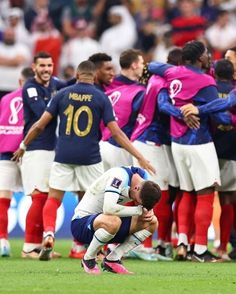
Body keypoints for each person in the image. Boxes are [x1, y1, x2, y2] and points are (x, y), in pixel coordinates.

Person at [13, 60, 156, 262]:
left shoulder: (62, 94)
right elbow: (116, 132)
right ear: (94, 76)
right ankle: (82, 246)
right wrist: (140, 157)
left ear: (78, 75)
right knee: (90, 202)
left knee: (53, 198)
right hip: (89, 157)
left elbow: (39, 125)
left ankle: (49, 234)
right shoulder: (101, 97)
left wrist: (23, 145)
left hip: (63, 154)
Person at [148, 40, 234, 262]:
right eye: (206, 54)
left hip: (177, 143)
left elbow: (152, 66)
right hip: (199, 142)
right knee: (205, 193)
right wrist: (196, 109)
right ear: (198, 58)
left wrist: (179, 111)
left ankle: (184, 243)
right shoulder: (205, 80)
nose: (209, 58)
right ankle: (200, 250)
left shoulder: (172, 72)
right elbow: (222, 109)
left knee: (186, 192)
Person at [19, 51, 74, 259]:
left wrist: (80, 77)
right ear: (34, 67)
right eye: (42, 66)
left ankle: (40, 243)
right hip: (36, 149)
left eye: (49, 66)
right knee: (38, 197)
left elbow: (68, 84)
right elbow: (44, 114)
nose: (46, 70)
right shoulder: (30, 88)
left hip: (51, 148)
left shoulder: (53, 83)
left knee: (45, 198)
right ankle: (28, 247)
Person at [71, 165, 161, 275]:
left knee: (152, 222)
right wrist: (138, 211)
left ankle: (113, 259)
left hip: (106, 226)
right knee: (114, 220)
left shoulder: (144, 180)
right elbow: (108, 208)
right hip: (81, 224)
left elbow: (147, 198)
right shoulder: (118, 177)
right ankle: (88, 258)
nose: (137, 204)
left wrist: (149, 211)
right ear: (136, 188)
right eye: (138, 201)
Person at [0, 67, 34, 257]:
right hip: (28, 151)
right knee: (36, 198)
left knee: (3, 199)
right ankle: (31, 243)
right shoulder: (37, 97)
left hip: (5, 151)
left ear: (20, 81)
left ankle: (2, 241)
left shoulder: (5, 99)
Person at [100, 49, 145, 171]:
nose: (144, 67)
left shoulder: (140, 86)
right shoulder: (108, 83)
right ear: (134, 65)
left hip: (115, 143)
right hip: (114, 143)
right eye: (142, 63)